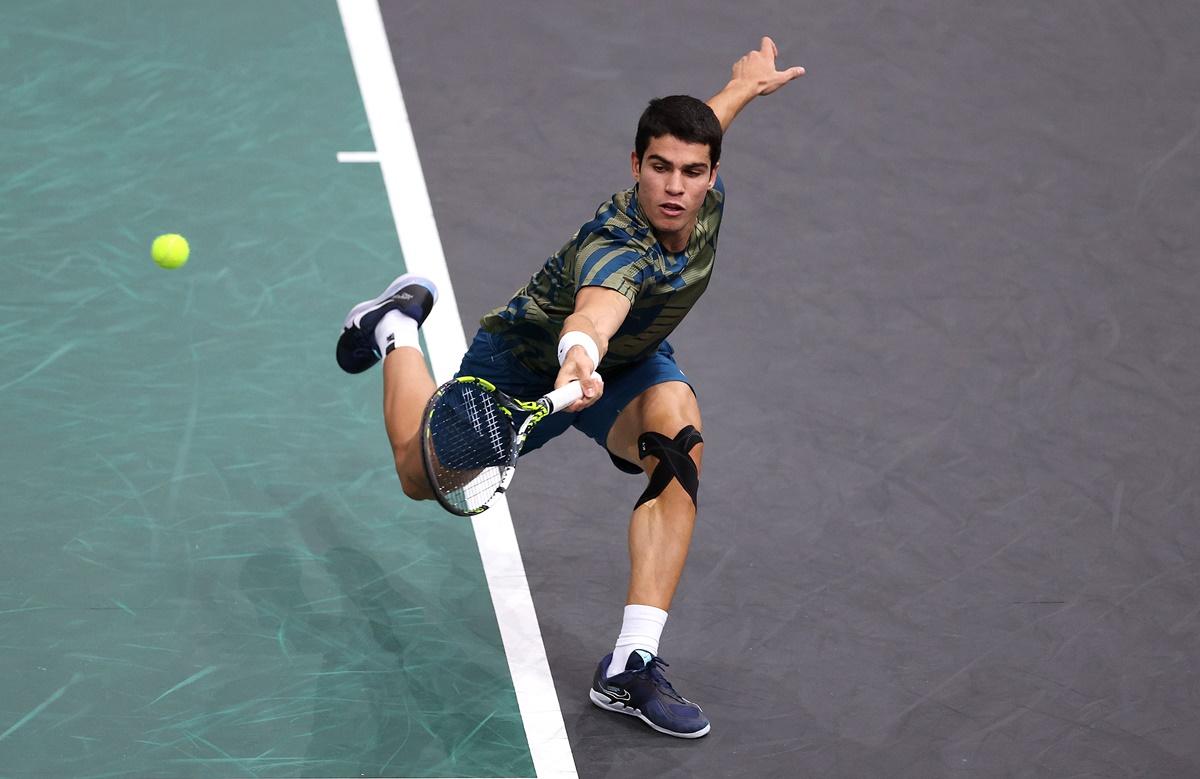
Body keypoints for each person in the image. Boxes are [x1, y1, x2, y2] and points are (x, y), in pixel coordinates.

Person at [335, 37, 804, 739]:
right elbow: (595, 310)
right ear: (634, 166)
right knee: (418, 472)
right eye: (660, 169)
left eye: (693, 171)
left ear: (712, 173)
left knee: (679, 438)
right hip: (528, 368)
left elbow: (705, 125)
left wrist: (740, 89)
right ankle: (397, 326)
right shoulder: (617, 244)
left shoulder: (701, 197)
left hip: (634, 366)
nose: (675, 186)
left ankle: (631, 662)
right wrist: (580, 352)